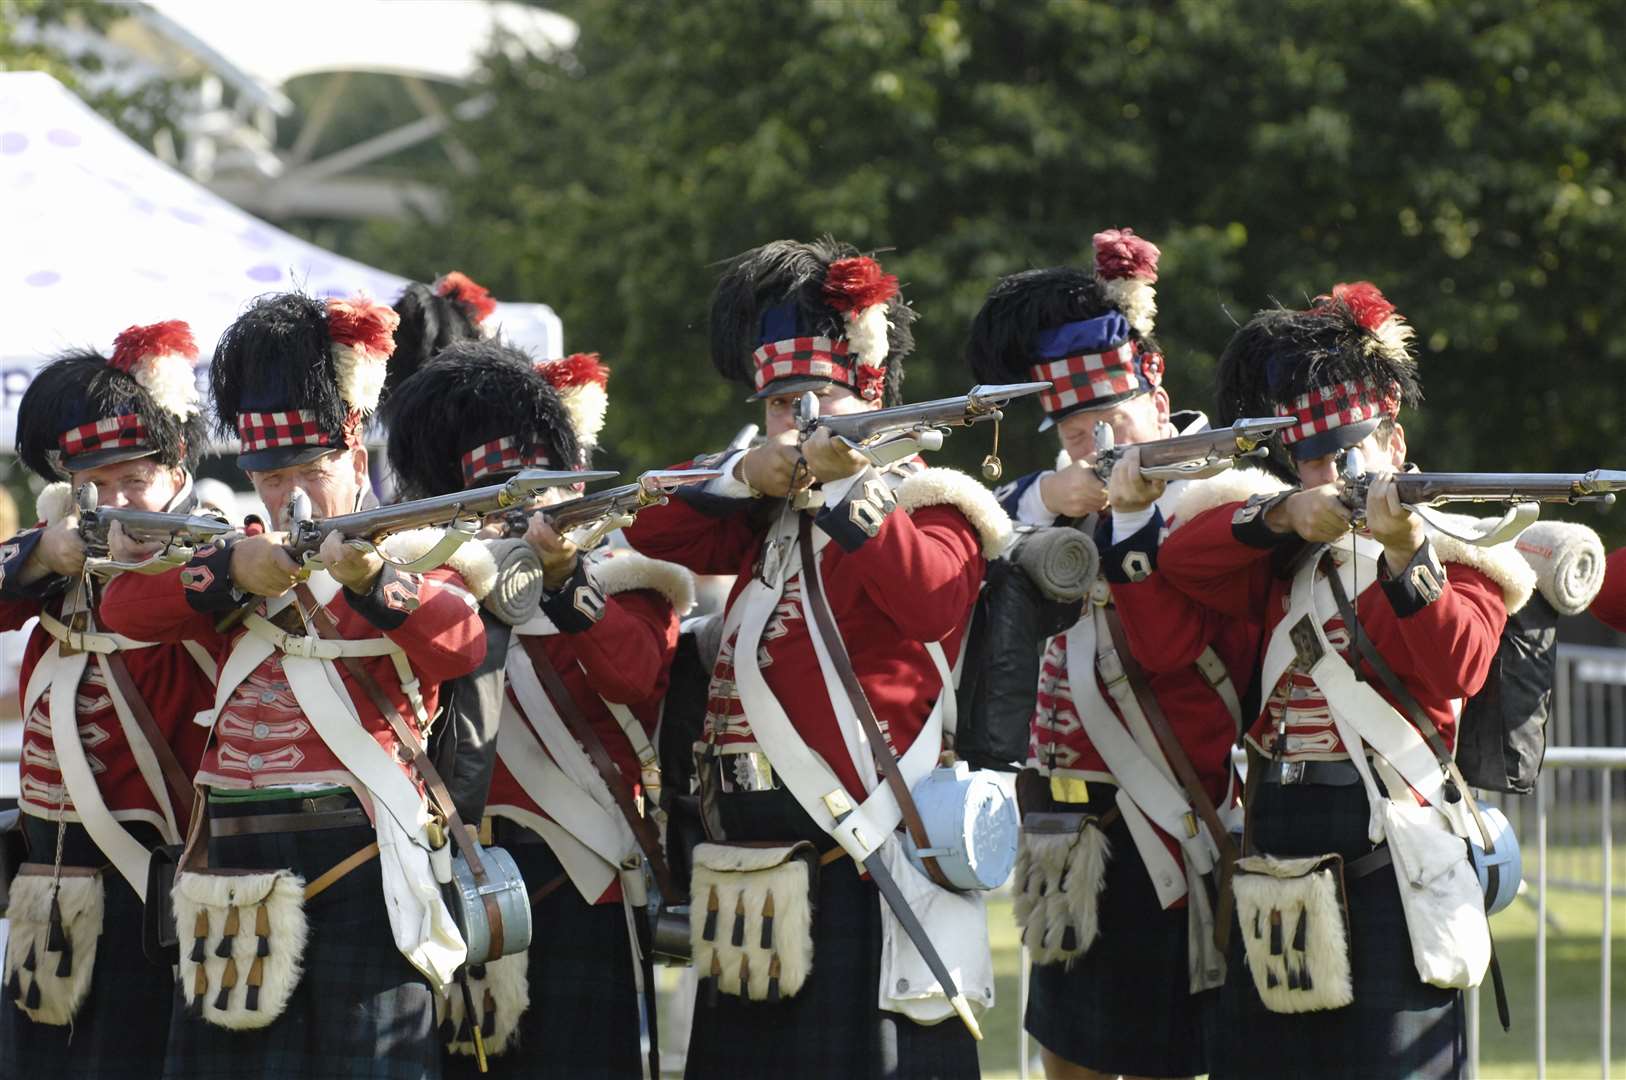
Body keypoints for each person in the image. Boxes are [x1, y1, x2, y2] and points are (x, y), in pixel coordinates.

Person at [624, 238, 1007, 1079]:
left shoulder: (928, 503)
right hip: (748, 860)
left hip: (855, 855)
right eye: (779, 405)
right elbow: (647, 521)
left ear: (863, 393)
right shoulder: (764, 511)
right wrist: (743, 471)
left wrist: (842, 484)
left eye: (812, 400)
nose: (793, 421)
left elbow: (933, 598)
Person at [98, 291, 487, 1079]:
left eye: (310, 470)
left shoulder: (411, 550)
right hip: (234, 865)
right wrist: (229, 571)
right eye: (271, 477)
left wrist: (372, 578)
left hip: (363, 852)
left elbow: (462, 642)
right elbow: (125, 607)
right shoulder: (234, 558)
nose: (291, 494)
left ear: (356, 463)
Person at [1156, 282, 1532, 1079]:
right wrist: (1288, 515)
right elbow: (1180, 562)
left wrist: (1403, 552)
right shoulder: (1285, 548)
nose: (1338, 469)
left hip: (1388, 851)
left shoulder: (1461, 548)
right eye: (1318, 458)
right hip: (1278, 839)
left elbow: (1457, 662)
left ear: (1394, 443)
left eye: (1354, 451)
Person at [966, 231, 1270, 1080]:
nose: (1090, 437)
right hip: (1063, 829)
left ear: (1155, 390)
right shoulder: (1051, 497)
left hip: (1166, 823)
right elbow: (965, 537)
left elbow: (1170, 651)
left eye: (1109, 415)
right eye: (1070, 422)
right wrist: (1040, 496)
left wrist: (1128, 516)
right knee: (1069, 1063)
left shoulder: (1220, 497)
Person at [383, 340, 692, 1079]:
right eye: (503, 497)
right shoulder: (441, 588)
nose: (525, 511)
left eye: (539, 492)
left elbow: (636, 676)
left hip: (580, 868)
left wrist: (559, 583)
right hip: (456, 865)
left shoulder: (624, 579)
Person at [0, 321, 216, 1079]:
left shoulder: (213, 552)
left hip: (151, 867)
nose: (119, 503)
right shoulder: (54, 554)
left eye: (135, 481)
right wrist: (37, 557)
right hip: (46, 869)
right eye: (99, 486)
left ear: (175, 466)